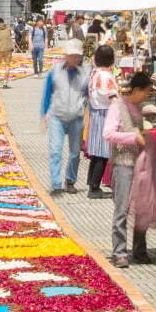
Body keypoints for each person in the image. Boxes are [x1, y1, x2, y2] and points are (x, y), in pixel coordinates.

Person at [104, 70, 154, 267]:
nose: (147, 96)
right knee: (122, 208)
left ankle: (140, 250)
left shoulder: (138, 108)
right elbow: (108, 134)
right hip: (122, 163)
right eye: (146, 92)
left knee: (143, 208)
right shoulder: (117, 107)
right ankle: (119, 252)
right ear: (136, 90)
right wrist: (133, 137)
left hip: (139, 163)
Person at [41, 43, 87, 195]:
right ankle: (56, 184)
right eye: (72, 55)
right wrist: (43, 115)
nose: (75, 58)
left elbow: (88, 95)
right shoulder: (54, 72)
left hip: (76, 117)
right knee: (55, 151)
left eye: (77, 56)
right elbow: (47, 94)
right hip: (57, 116)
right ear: (66, 56)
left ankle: (70, 180)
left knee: (75, 152)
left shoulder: (85, 73)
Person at [85, 43, 117, 197]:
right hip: (105, 113)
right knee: (103, 152)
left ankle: (92, 183)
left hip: (96, 112)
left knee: (97, 151)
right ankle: (95, 187)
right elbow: (110, 95)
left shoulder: (95, 72)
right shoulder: (105, 75)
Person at [0, 17, 14, 87]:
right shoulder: (8, 28)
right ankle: (5, 82)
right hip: (8, 49)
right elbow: (10, 35)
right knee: (7, 65)